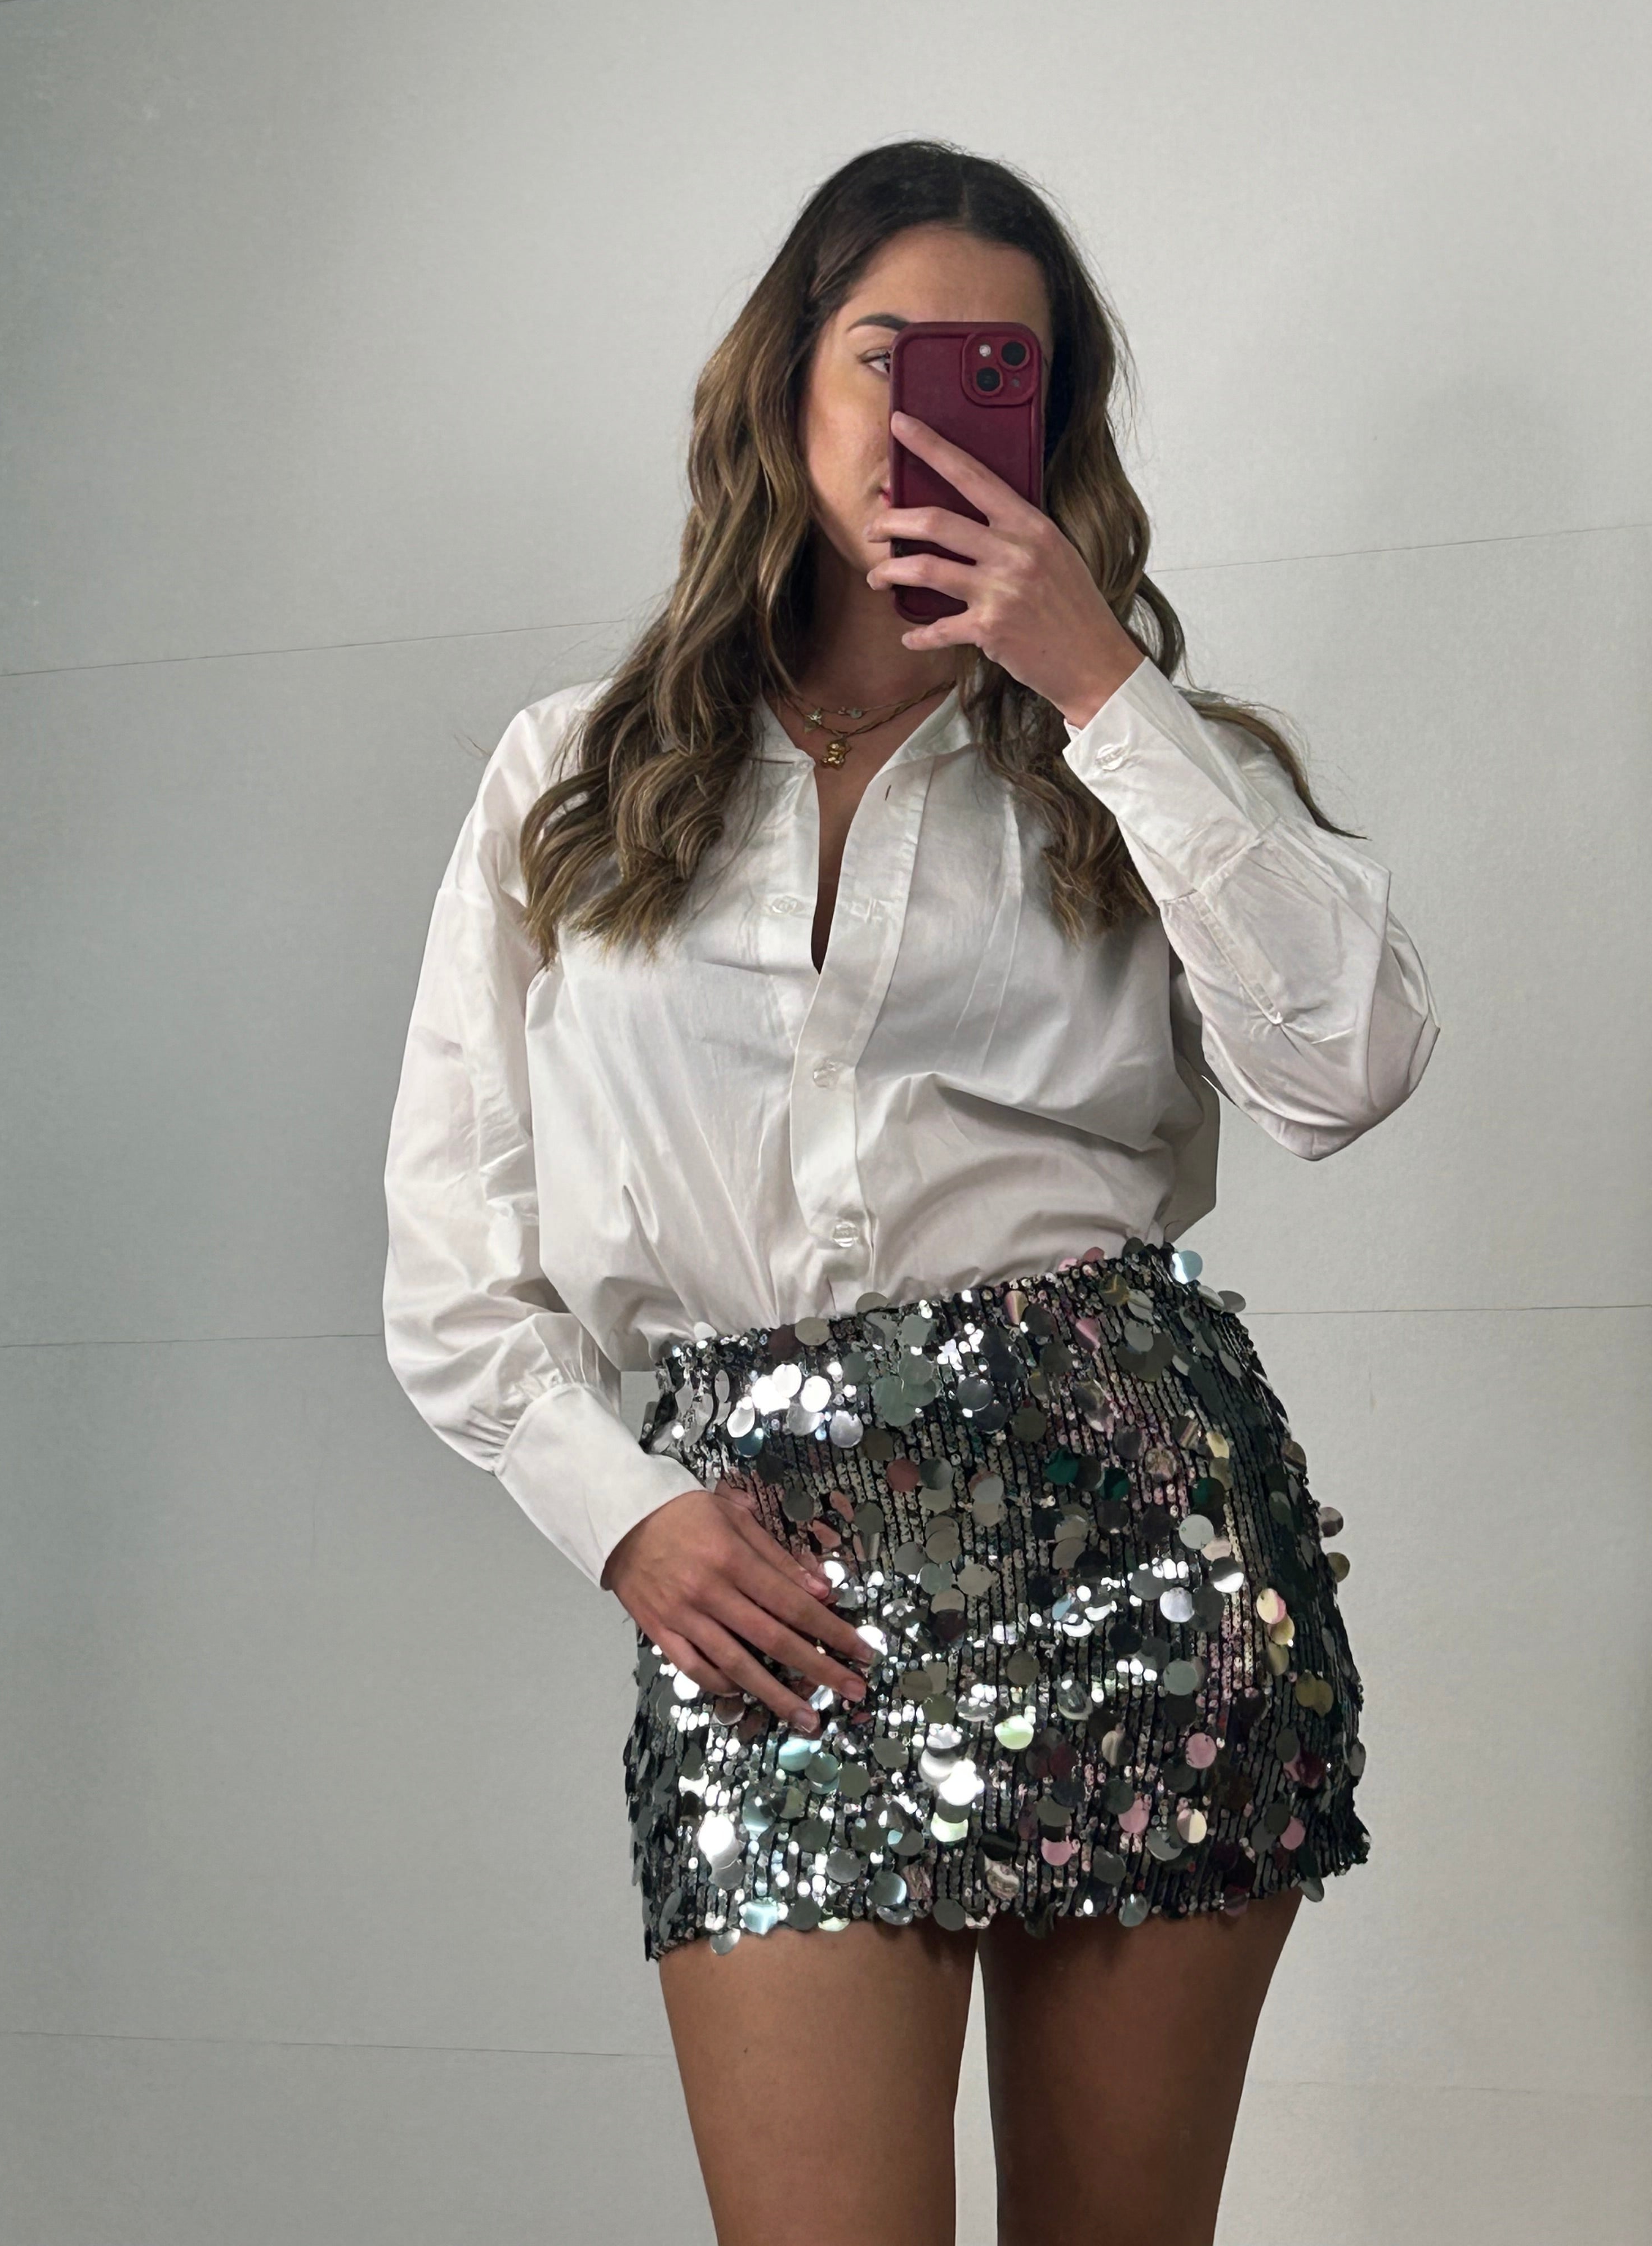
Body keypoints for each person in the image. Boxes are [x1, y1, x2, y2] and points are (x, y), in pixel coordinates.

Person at [381, 139, 1438, 2246]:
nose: (929, 413)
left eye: (997, 372)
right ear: (784, 382)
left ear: (1057, 423)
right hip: (775, 1592)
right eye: (886, 355)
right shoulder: (570, 775)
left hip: (1140, 1547)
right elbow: (453, 1259)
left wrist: (1097, 678)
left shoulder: (1139, 760)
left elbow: (1350, 1066)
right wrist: (624, 1515)